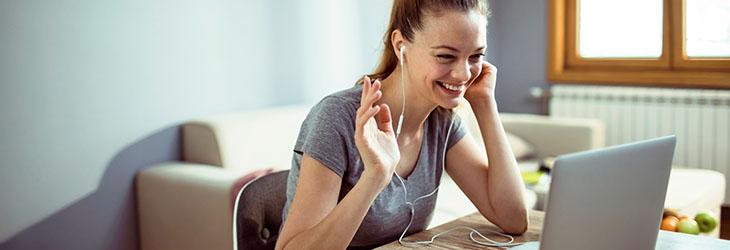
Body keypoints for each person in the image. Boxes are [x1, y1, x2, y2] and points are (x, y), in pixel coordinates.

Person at [275, 0, 528, 249]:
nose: (464, 74)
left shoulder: (442, 122)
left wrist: (485, 104)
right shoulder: (336, 118)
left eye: (475, 56)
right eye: (445, 56)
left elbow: (513, 219)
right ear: (400, 45)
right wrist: (374, 177)